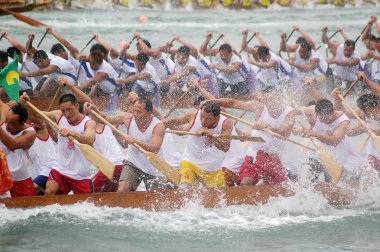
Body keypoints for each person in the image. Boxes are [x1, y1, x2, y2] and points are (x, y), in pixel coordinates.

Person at [216, 86, 298, 185]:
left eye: (272, 99)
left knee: (285, 188)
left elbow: (285, 132)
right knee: (245, 183)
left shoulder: (291, 112)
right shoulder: (259, 106)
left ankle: (265, 181)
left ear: (279, 98)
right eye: (266, 100)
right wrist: (213, 102)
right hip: (255, 153)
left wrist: (268, 126)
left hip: (277, 157)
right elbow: (233, 103)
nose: (269, 103)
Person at [21, 93, 97, 195]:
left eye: (69, 109)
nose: (66, 114)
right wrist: (27, 104)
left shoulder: (88, 123)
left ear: (77, 106)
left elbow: (90, 139)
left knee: (88, 204)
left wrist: (72, 133)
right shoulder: (59, 115)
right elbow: (36, 115)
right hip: (60, 169)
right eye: (63, 110)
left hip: (80, 174)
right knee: (49, 192)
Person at [0, 102, 37, 197]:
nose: (7, 126)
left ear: (22, 122)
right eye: (7, 121)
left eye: (12, 123)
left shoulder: (30, 133)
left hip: (20, 180)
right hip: (2, 178)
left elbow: (12, 145)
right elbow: (2, 105)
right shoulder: (6, 114)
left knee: (30, 210)